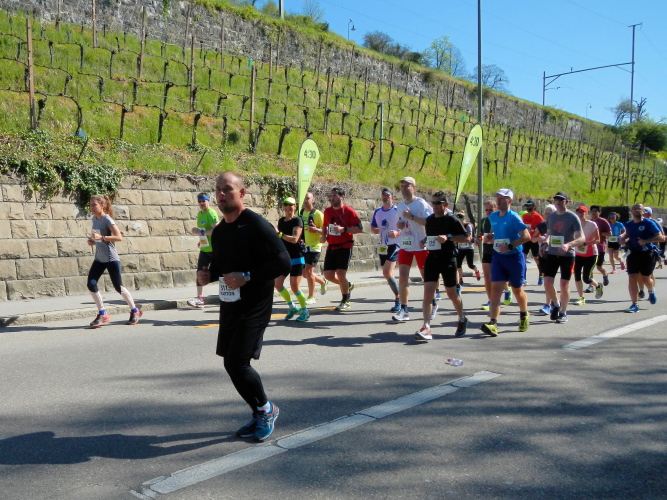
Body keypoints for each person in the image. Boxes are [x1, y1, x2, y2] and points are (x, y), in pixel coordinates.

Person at [197, 171, 290, 442]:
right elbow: (222, 268)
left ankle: (266, 409)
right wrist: (208, 275)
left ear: (242, 193)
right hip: (230, 304)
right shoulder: (220, 231)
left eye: (227, 189)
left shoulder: (257, 224)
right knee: (230, 362)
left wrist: (247, 276)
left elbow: (282, 262)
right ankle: (259, 411)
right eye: (218, 189)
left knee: (238, 362)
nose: (221, 194)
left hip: (256, 305)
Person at [415, 192, 470, 341]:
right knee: (428, 294)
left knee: (452, 293)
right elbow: (432, 236)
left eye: (438, 203)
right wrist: (424, 240)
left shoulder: (452, 219)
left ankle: (462, 318)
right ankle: (426, 326)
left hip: (448, 259)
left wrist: (449, 237)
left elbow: (466, 238)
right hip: (432, 259)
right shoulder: (430, 220)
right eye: (433, 203)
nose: (435, 206)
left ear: (446, 204)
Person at [480, 189, 531, 336]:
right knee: (495, 289)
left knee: (517, 290)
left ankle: (524, 314)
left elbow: (526, 236)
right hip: (498, 257)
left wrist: (509, 246)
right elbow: (497, 231)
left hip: (514, 258)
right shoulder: (493, 216)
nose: (499, 201)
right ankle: (493, 323)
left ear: (510, 201)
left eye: (503, 198)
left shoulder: (514, 217)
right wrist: (490, 236)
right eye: (498, 198)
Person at [87, 195, 142, 327]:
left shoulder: (107, 219)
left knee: (119, 287)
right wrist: (93, 241)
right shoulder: (94, 219)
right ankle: (102, 313)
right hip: (99, 258)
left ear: (102, 206)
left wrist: (102, 237)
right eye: (90, 205)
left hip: (111, 258)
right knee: (91, 284)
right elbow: (99, 238)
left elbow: (119, 237)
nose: (91, 208)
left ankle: (135, 311)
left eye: (94, 205)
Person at [392, 176, 434, 322]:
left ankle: (433, 303)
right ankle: (404, 310)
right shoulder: (400, 206)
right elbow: (401, 222)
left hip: (421, 245)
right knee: (403, 277)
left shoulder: (420, 204)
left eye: (407, 186)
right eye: (402, 186)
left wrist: (411, 217)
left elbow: (430, 223)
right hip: (406, 245)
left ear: (414, 188)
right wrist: (399, 225)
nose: (404, 188)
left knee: (426, 278)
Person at [541, 191, 584, 324]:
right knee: (547, 282)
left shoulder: (572, 217)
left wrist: (568, 245)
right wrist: (545, 243)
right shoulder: (551, 217)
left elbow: (581, 238)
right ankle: (555, 304)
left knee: (564, 284)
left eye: (561, 200)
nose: (558, 202)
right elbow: (549, 233)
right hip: (552, 253)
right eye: (556, 200)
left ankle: (563, 312)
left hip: (567, 255)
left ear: (566, 202)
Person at [320, 187, 363, 311]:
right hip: (332, 246)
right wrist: (323, 235)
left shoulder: (349, 211)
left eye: (335, 195)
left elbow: (359, 228)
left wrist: (344, 230)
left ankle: (345, 300)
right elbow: (325, 226)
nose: (332, 198)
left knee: (340, 274)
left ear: (342, 197)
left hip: (345, 245)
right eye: (331, 195)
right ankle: (347, 285)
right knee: (328, 275)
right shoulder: (327, 211)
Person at [620, 203, 665, 312]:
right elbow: (627, 235)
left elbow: (661, 237)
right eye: (635, 209)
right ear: (631, 211)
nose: (637, 210)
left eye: (639, 209)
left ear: (643, 212)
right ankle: (634, 304)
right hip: (633, 253)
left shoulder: (649, 223)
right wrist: (623, 238)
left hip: (647, 253)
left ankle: (651, 290)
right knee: (632, 278)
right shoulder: (628, 224)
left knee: (645, 278)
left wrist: (646, 241)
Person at [275, 197, 309, 322]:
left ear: (295, 207)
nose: (288, 207)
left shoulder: (297, 220)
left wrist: (280, 234)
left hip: (296, 257)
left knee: (295, 287)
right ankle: (292, 306)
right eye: (286, 204)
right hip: (285, 257)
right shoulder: (281, 221)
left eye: (291, 205)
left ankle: (305, 311)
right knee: (277, 284)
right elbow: (279, 239)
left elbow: (295, 239)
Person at [370, 187, 402, 312]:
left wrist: (397, 233)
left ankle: (399, 298)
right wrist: (375, 230)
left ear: (392, 197)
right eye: (383, 195)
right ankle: (399, 295)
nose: (385, 197)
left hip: (395, 244)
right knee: (388, 273)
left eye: (387, 195)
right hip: (383, 245)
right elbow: (373, 227)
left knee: (387, 272)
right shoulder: (378, 211)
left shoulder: (397, 210)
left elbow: (406, 227)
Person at [188, 193, 220, 308]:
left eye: (203, 201)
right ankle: (200, 299)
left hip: (215, 249)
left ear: (209, 201)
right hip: (205, 248)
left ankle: (231, 295)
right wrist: (201, 240)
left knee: (222, 272)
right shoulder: (199, 214)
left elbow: (217, 230)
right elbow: (205, 231)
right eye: (199, 201)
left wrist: (201, 232)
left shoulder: (211, 213)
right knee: (200, 272)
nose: (201, 203)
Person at [299, 192, 328, 305]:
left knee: (308, 271)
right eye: (304, 198)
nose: (305, 201)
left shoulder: (318, 214)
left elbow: (326, 231)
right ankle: (322, 281)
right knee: (304, 273)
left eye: (308, 198)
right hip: (303, 246)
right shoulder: (300, 213)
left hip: (315, 245)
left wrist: (316, 230)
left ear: (313, 200)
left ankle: (311, 296)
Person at [572, 206, 603, 306]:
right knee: (577, 276)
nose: (580, 214)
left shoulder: (592, 224)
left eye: (582, 212)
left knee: (586, 278)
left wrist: (585, 243)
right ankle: (581, 298)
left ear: (586, 213)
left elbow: (598, 240)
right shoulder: (574, 224)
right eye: (578, 212)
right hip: (578, 254)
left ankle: (598, 286)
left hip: (591, 254)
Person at [533, 204, 556, 315]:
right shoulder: (541, 225)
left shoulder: (558, 224)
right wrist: (539, 239)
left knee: (549, 281)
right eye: (546, 213)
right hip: (543, 254)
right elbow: (533, 239)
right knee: (547, 281)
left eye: (550, 213)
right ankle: (554, 303)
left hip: (555, 254)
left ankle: (549, 304)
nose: (548, 215)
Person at [521, 199, 544, 285]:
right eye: (527, 206)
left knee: (536, 259)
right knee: (523, 258)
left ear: (534, 207)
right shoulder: (524, 216)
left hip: (534, 240)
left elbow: (543, 228)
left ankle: (541, 275)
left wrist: (534, 230)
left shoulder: (538, 217)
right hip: (526, 239)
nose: (528, 207)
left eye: (529, 206)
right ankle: (523, 278)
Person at [455, 211, 481, 285]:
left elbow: (469, 237)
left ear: (463, 219)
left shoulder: (468, 226)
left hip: (469, 248)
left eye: (460, 220)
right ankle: (460, 279)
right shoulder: (457, 227)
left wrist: (460, 237)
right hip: (461, 248)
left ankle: (476, 271)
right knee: (458, 264)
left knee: (470, 265)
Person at [588, 205, 611, 288]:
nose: (594, 213)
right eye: (592, 211)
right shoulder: (589, 222)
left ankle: (605, 274)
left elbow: (609, 233)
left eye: (596, 211)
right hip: (590, 247)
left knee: (599, 267)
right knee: (589, 267)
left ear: (599, 212)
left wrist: (599, 233)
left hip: (600, 247)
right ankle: (590, 285)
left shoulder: (603, 221)